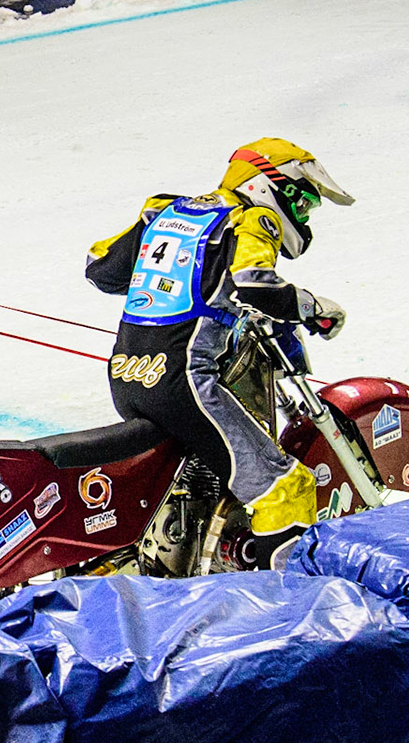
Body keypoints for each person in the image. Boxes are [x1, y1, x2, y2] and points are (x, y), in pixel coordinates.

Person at [83, 139, 354, 563]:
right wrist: (313, 308)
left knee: (200, 474)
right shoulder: (252, 218)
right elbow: (253, 281)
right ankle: (289, 610)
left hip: (128, 375)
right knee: (286, 488)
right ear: (268, 185)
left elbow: (101, 267)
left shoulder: (164, 209)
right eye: (302, 202)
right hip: (187, 381)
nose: (301, 216)